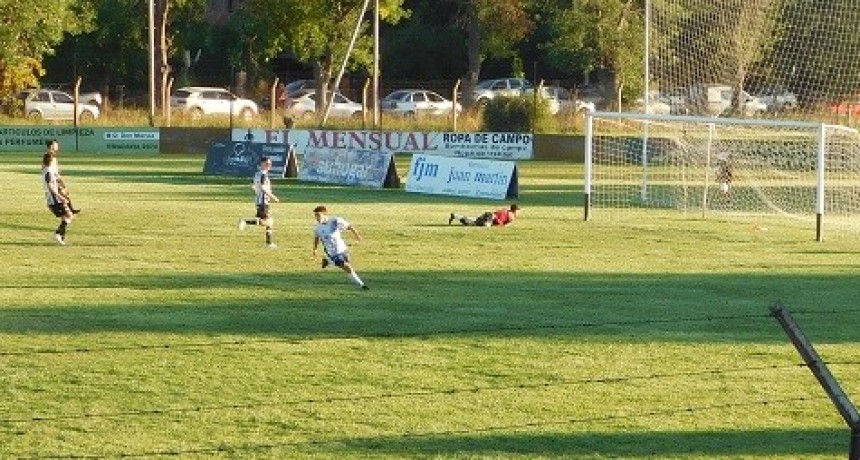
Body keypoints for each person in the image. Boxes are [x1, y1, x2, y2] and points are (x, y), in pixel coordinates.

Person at [312, 205, 369, 290]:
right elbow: (317, 238)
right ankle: (362, 285)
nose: (317, 217)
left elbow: (349, 227)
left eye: (318, 215)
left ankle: (328, 261)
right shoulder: (318, 228)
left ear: (324, 214)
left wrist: (357, 236)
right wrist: (315, 249)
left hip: (342, 249)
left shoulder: (335, 221)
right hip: (332, 252)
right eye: (315, 215)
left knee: (347, 264)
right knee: (346, 266)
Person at [238, 156, 280, 248]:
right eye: (267, 164)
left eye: (270, 164)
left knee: (268, 222)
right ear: (262, 164)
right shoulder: (263, 175)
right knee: (267, 222)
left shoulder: (257, 174)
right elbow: (263, 188)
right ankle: (245, 222)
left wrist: (257, 192)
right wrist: (274, 197)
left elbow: (252, 185)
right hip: (263, 202)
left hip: (260, 201)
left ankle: (269, 243)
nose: (269, 165)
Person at [42, 152, 75, 245]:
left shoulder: (47, 171)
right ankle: (57, 234)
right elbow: (50, 187)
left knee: (67, 216)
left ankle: (59, 235)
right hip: (54, 200)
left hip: (53, 200)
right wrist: (60, 196)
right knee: (69, 215)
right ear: (51, 161)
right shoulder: (48, 172)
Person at [46, 139, 80, 214]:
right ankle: (65, 210)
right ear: (51, 146)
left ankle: (70, 209)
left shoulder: (52, 155)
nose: (57, 146)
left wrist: (58, 173)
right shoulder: (48, 155)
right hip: (53, 179)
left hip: (56, 178)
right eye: (56, 144)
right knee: (61, 194)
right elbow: (47, 168)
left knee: (65, 193)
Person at [448, 204, 520, 227]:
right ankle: (456, 216)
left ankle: (456, 216)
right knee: (475, 224)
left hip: (488, 214)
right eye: (517, 211)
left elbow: (497, 214)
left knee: (474, 221)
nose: (518, 213)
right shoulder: (511, 216)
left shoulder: (505, 210)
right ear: (515, 210)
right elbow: (502, 224)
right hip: (491, 218)